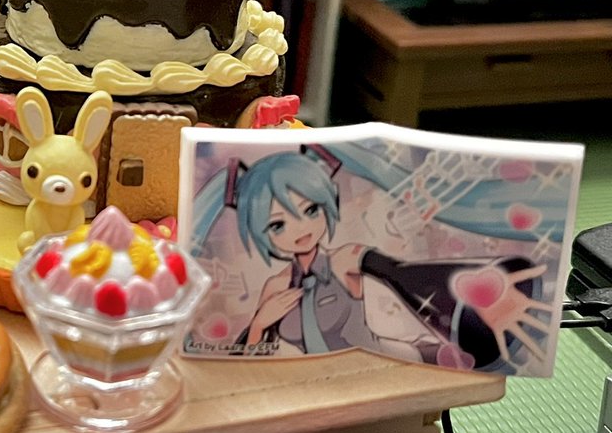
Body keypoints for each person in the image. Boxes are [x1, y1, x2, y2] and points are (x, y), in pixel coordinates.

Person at [191, 143, 559, 369]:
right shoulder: (275, 288)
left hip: (385, 366)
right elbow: (244, 361)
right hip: (318, 384)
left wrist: (484, 293)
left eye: (311, 210)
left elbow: (409, 276)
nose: (300, 228)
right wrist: (259, 324)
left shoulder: (344, 259)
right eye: (277, 225)